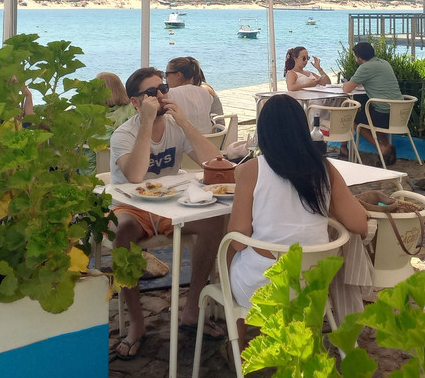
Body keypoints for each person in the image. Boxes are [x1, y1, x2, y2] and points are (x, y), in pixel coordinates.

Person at [109, 67, 227, 359]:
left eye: (163, 89)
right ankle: (137, 324)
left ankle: (192, 310)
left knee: (214, 221)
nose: (160, 96)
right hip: (131, 205)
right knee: (123, 235)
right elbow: (136, 176)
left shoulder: (175, 126)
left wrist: (184, 122)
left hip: (169, 203)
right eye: (151, 93)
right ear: (135, 102)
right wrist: (147, 123)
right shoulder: (123, 134)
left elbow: (215, 162)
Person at [227, 95, 368, 332]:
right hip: (312, 284)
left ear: (264, 132)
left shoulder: (252, 170)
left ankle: (237, 343)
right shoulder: (324, 168)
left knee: (228, 251)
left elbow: (238, 239)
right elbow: (360, 224)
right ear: (303, 129)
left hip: (264, 286)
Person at [342, 42, 402, 166]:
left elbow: (347, 89)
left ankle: (381, 148)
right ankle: (387, 145)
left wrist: (345, 83)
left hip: (384, 114)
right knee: (370, 115)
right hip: (399, 113)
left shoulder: (365, 67)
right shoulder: (384, 63)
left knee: (352, 119)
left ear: (359, 57)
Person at [163, 57, 216, 133]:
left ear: (178, 75)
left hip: (184, 139)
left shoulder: (170, 94)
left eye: (167, 74)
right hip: (207, 138)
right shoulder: (205, 92)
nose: (165, 78)